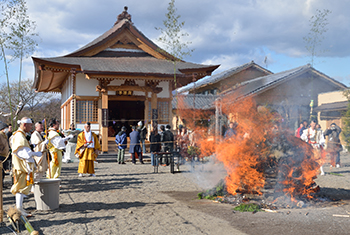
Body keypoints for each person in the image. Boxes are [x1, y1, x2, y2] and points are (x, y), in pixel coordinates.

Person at [10, 117, 43, 216]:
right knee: (21, 187)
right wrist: (35, 153)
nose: (31, 127)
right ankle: (19, 209)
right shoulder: (19, 136)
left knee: (22, 187)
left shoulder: (21, 135)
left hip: (23, 165)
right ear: (24, 125)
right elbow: (23, 153)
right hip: (22, 166)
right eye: (30, 125)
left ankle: (20, 208)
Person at [0, 121, 9, 187]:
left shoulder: (5, 136)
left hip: (5, 155)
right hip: (0, 155)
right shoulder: (0, 135)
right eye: (6, 128)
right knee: (1, 171)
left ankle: (2, 183)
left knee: (3, 171)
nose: (7, 130)